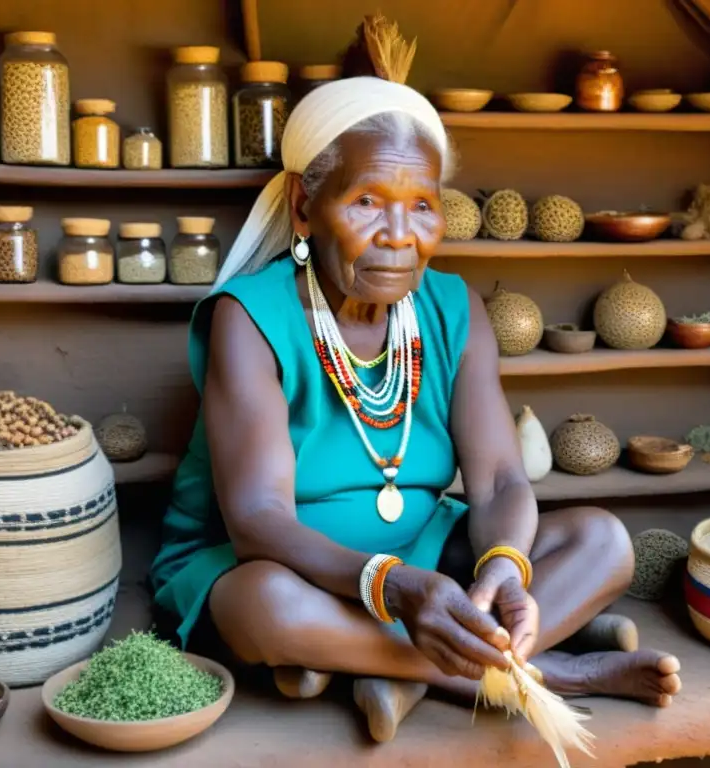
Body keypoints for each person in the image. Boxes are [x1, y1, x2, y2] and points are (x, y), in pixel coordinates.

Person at [150, 74, 681, 743]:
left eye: (422, 205)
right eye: (368, 201)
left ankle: (383, 667)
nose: (399, 235)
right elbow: (258, 520)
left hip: (422, 553)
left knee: (601, 541)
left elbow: (499, 481)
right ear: (304, 204)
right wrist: (395, 590)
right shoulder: (251, 317)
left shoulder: (453, 309)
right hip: (279, 564)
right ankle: (543, 673)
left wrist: (503, 570)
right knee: (268, 610)